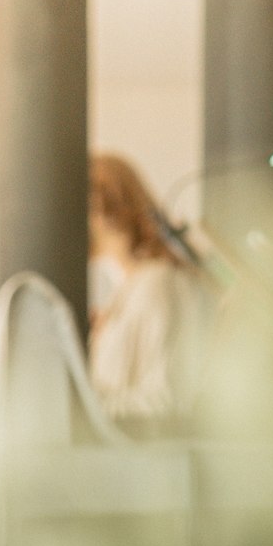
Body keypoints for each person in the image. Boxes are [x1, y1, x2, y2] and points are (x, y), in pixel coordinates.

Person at [88, 151, 210, 431]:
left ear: (101, 210)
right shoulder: (128, 290)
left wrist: (79, 405)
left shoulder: (156, 284)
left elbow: (164, 402)